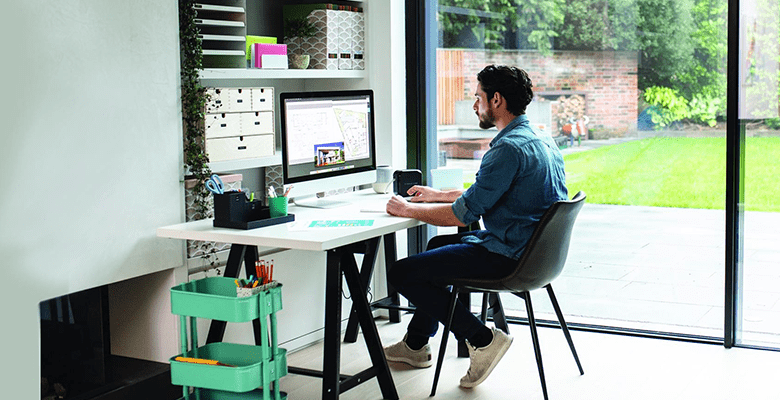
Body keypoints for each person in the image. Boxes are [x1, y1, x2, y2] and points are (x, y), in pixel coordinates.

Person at [382, 65, 568, 388]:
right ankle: (415, 345)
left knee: (400, 273)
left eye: (477, 97)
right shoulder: (540, 137)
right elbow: (486, 193)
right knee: (435, 250)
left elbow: (462, 216)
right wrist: (435, 195)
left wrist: (407, 209)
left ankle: (482, 339)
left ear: (496, 100)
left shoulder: (506, 149)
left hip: (509, 257)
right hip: (537, 256)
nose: (474, 105)